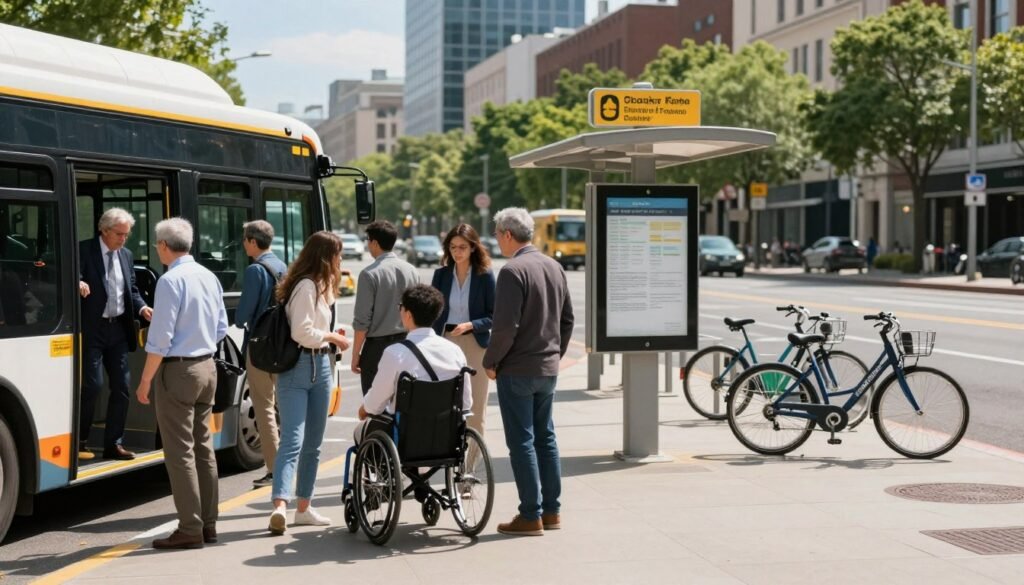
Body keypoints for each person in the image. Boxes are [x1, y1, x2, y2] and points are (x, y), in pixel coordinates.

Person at [135, 217, 227, 550]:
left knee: (179, 453)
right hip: (207, 367)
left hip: (179, 371)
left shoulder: (170, 281)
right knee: (204, 449)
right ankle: (209, 523)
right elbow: (221, 327)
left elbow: (159, 339)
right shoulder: (208, 276)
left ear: (162, 246)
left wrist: (145, 380)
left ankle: (190, 527)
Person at [483, 208, 574, 537]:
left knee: (522, 441)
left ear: (508, 234)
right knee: (546, 438)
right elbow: (567, 320)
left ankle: (530, 514)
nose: (496, 240)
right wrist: (554, 354)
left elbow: (505, 327)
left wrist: (490, 361)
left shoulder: (512, 271)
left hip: (517, 369)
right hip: (547, 367)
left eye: (496, 234)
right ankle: (552, 512)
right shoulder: (554, 266)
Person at [268, 231, 351, 535]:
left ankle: (303, 507)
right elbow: (300, 332)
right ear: (325, 256)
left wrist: (330, 335)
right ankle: (280, 504)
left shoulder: (319, 285)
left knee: (313, 444)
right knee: (293, 439)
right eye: (338, 255)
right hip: (299, 365)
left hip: (321, 364)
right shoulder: (305, 286)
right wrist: (332, 336)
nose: (340, 261)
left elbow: (312, 327)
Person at [78, 208, 153, 461]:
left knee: (122, 386)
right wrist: (77, 282)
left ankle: (114, 443)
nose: (123, 239)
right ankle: (80, 439)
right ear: (104, 230)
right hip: (92, 328)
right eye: (119, 234)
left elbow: (131, 288)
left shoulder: (126, 255)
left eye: (126, 235)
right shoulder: (83, 250)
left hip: (118, 329)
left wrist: (142, 307)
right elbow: (69, 276)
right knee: (92, 385)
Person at [355, 285, 472, 443]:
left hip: (406, 439)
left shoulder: (395, 353)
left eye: (401, 307)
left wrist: (364, 409)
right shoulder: (455, 351)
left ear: (408, 315)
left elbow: (376, 402)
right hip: (446, 438)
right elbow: (466, 402)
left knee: (359, 432)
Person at [430, 224, 495, 453]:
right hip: (445, 342)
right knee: (446, 406)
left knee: (476, 408)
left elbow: (494, 316)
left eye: (463, 247)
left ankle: (469, 473)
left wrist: (471, 324)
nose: (457, 252)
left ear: (473, 248)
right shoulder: (441, 275)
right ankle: (450, 464)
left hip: (475, 344)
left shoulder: (484, 276)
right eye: (453, 247)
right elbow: (431, 311)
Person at [233, 220, 288, 488]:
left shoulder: (255, 270)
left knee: (264, 408)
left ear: (253, 242)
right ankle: (289, 465)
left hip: (260, 348)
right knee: (284, 407)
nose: (244, 244)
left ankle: (274, 469)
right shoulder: (283, 266)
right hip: (283, 347)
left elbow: (243, 315)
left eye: (245, 240)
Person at [351, 220, 419, 394]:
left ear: (374, 242)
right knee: (403, 402)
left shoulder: (369, 274)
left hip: (377, 349)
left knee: (375, 407)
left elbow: (362, 321)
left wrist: (356, 354)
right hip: (406, 343)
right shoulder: (411, 270)